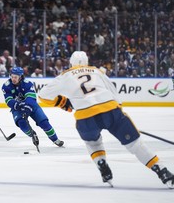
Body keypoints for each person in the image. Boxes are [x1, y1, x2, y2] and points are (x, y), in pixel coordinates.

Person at [38, 51, 174, 188]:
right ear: (86, 62)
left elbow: (42, 95)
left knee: (93, 144)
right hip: (110, 110)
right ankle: (162, 171)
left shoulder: (65, 75)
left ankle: (101, 164)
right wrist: (119, 114)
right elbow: (113, 91)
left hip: (85, 117)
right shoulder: (96, 71)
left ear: (71, 63)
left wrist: (62, 103)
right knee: (135, 145)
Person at [2, 67, 64, 147]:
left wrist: (27, 107)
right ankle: (33, 134)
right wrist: (17, 105)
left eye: (16, 77)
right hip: (17, 107)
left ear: (20, 77)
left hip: (31, 106)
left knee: (44, 123)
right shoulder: (6, 86)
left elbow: (31, 98)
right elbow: (8, 100)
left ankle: (55, 139)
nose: (13, 79)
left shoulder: (27, 84)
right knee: (22, 123)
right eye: (12, 76)